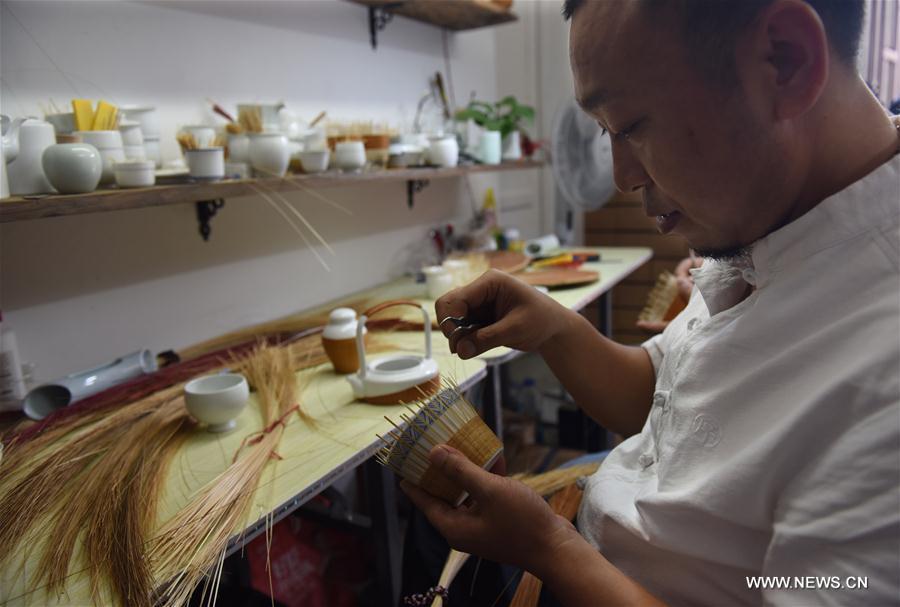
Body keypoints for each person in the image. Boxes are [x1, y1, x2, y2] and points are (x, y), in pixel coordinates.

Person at [401, 0, 900, 604]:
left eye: (632, 125)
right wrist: (555, 327)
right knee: (423, 535)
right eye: (604, 133)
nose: (620, 175)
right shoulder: (766, 223)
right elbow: (667, 394)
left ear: (785, 60)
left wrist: (549, 549)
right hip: (589, 532)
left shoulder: (882, 372)